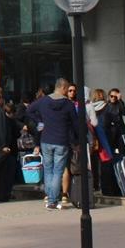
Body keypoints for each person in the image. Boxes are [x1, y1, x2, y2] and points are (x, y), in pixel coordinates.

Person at [27, 79, 80, 210]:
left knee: (48, 170)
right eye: (67, 89)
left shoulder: (43, 101)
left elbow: (29, 110)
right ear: (62, 88)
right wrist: (78, 140)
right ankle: (53, 200)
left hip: (46, 139)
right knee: (58, 171)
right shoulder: (68, 104)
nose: (68, 92)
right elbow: (75, 123)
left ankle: (50, 198)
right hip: (62, 140)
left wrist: (40, 121)